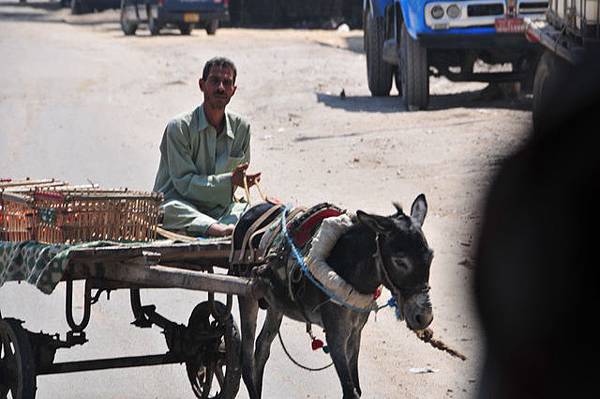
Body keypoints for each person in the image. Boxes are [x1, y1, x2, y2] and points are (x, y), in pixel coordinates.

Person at [153, 57, 261, 237]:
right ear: (202, 85)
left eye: (227, 83)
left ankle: (223, 227)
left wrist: (242, 181)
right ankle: (217, 229)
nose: (220, 88)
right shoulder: (179, 128)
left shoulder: (242, 128)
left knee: (249, 209)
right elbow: (184, 184)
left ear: (233, 91)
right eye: (214, 81)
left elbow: (236, 180)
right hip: (182, 206)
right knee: (168, 210)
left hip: (219, 209)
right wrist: (229, 181)